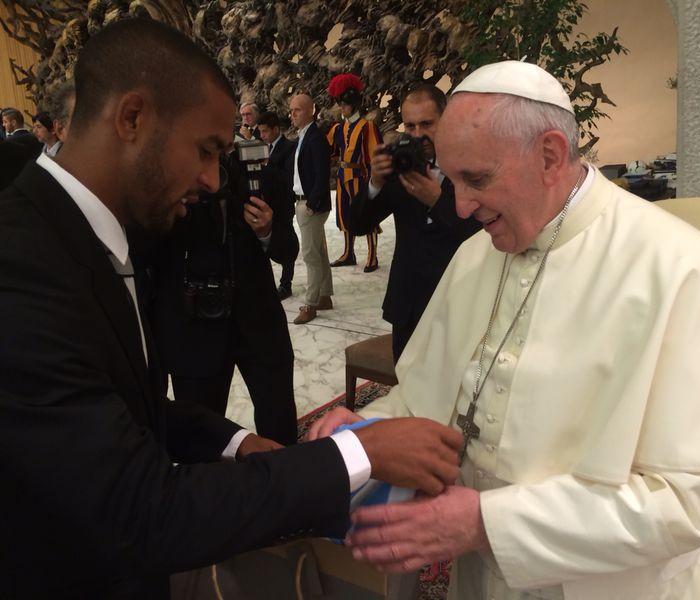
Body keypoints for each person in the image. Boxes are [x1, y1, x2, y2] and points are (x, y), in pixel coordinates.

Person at [0, 18, 462, 599]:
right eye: (205, 150)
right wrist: (357, 452)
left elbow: (123, 410)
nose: (213, 178)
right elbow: (141, 514)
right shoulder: (20, 266)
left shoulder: (78, 234)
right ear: (132, 118)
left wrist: (233, 441)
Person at [309, 60, 700, 599]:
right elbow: (429, 398)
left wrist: (487, 523)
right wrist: (371, 432)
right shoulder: (474, 256)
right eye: (452, 179)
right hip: (486, 579)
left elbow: (688, 501)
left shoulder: (683, 268)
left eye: (476, 179)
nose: (460, 205)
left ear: (550, 156)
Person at [138, 148, 299, 446]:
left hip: (260, 325)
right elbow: (140, 255)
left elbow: (288, 249)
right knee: (202, 441)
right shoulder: (165, 183)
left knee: (280, 428)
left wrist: (267, 231)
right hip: (193, 333)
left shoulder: (260, 176)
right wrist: (168, 206)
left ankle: (284, 476)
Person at [349, 83, 482, 362]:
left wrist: (438, 201)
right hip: (408, 306)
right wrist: (374, 183)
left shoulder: (473, 166)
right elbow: (358, 225)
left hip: (460, 303)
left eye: (427, 124)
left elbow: (484, 236)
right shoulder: (402, 165)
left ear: (446, 119)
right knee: (407, 384)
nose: (418, 134)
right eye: (410, 126)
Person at [326, 73, 382, 272]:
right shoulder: (338, 128)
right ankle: (348, 253)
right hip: (343, 177)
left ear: (354, 105)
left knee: (366, 214)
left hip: (361, 176)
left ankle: (372, 255)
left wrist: (375, 181)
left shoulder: (368, 126)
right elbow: (329, 150)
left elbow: (375, 155)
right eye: (341, 104)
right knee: (345, 214)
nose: (341, 108)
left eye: (345, 105)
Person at [289, 92, 334, 325]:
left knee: (310, 254)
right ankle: (324, 295)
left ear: (309, 111)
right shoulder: (304, 136)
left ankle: (311, 303)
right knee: (318, 251)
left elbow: (322, 174)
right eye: (291, 110)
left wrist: (312, 205)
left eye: (297, 110)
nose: (292, 114)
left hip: (310, 205)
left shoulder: (315, 138)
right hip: (303, 201)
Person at [257, 110, 299, 300]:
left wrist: (267, 166)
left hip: (283, 204)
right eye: (260, 131)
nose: (262, 135)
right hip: (266, 202)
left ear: (275, 129)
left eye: (265, 131)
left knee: (286, 243)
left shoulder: (289, 147)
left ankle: (285, 284)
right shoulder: (263, 147)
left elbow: (287, 178)